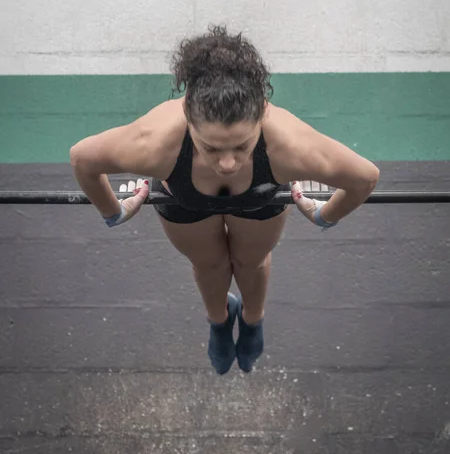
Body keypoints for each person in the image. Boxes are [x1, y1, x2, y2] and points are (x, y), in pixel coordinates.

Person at [70, 24, 380, 375]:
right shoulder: (153, 143)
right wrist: (113, 211)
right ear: (188, 121)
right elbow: (83, 158)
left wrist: (325, 214)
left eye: (242, 146)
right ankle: (219, 322)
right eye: (211, 148)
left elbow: (364, 177)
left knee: (252, 262)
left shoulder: (290, 147)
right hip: (185, 200)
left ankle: (252, 319)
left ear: (261, 117)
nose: (228, 163)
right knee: (210, 266)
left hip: (258, 196)